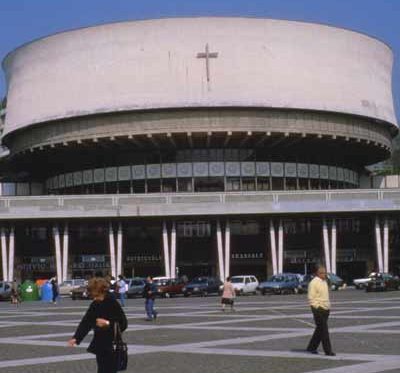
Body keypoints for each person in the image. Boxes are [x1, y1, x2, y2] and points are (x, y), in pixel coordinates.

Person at [68, 277, 128, 373]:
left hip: (111, 344)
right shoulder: (95, 304)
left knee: (109, 370)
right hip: (100, 344)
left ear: (101, 291)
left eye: (95, 295)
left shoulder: (112, 302)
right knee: (102, 369)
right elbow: (86, 322)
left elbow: (123, 323)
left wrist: (107, 323)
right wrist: (76, 338)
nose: (93, 298)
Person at [306, 266, 335, 356]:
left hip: (326, 308)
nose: (324, 274)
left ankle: (311, 347)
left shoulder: (324, 281)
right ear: (318, 273)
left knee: (319, 329)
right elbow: (311, 297)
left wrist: (328, 306)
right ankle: (328, 351)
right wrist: (316, 307)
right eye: (322, 273)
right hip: (318, 308)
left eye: (325, 273)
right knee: (324, 330)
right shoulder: (313, 283)